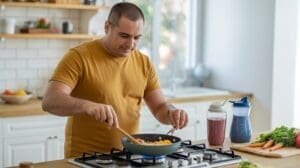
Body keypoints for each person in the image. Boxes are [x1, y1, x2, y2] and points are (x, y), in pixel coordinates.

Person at [42, 2, 188, 158]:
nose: (131, 44)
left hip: (129, 157)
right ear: (107, 27)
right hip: (85, 159)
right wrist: (86, 105)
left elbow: (159, 108)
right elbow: (50, 101)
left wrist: (172, 112)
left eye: (137, 38)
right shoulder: (79, 56)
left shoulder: (143, 63)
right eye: (124, 36)